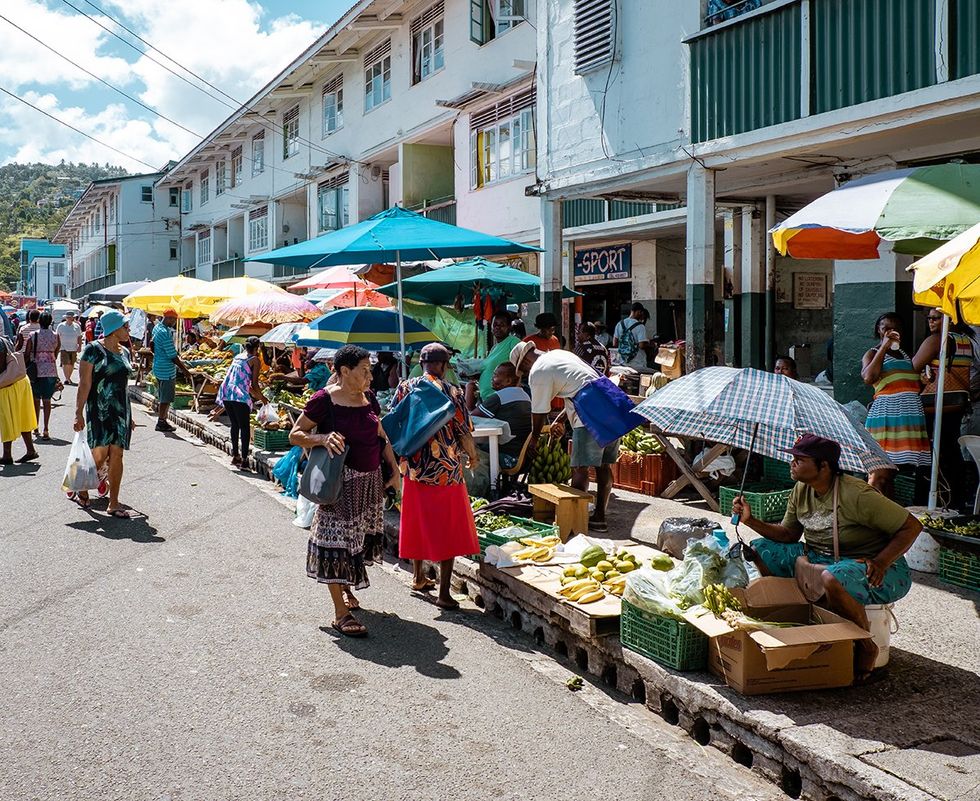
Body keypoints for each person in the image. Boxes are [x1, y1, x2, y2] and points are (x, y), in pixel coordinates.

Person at [731, 434, 922, 682]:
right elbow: (789, 534)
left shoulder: (857, 494)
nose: (792, 463)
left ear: (824, 466)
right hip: (819, 558)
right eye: (792, 458)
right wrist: (751, 521)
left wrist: (882, 561)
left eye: (800, 459)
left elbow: (912, 527)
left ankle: (866, 645)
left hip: (874, 566)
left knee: (833, 578)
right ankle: (796, 613)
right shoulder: (801, 489)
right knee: (760, 549)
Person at [289, 345, 400, 637]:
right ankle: (341, 612)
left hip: (368, 484)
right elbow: (295, 434)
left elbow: (381, 436)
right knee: (333, 544)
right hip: (338, 486)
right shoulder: (324, 401)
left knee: (355, 543)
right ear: (343, 372)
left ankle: (346, 589)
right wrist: (323, 437)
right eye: (363, 370)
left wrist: (395, 471)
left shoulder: (370, 400)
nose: (369, 375)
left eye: (370, 369)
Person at [395, 343, 480, 609]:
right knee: (447, 527)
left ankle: (418, 577)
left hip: (414, 468)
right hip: (446, 471)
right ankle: (444, 594)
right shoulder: (452, 391)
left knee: (417, 521)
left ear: (422, 363)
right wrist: (473, 456)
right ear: (443, 366)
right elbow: (464, 432)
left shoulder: (405, 387)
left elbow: (395, 421)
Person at [510, 341, 617, 532]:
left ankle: (576, 522)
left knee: (579, 467)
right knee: (604, 466)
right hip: (610, 400)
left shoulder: (538, 370)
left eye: (523, 371)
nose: (526, 374)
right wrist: (561, 419)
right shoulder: (560, 354)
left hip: (590, 410)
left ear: (525, 362)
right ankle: (599, 517)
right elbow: (578, 385)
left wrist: (534, 438)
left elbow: (539, 411)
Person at [73, 311, 138, 516]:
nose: (128, 329)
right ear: (113, 328)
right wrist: (78, 413)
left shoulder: (125, 352)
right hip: (98, 410)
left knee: (117, 454)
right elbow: (84, 384)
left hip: (120, 411)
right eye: (125, 326)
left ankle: (114, 503)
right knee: (99, 456)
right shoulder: (92, 350)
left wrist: (131, 415)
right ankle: (81, 485)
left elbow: (124, 387)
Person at [861, 313, 931, 497]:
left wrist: (923, 381)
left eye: (896, 328)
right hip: (887, 419)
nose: (892, 332)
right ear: (879, 331)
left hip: (908, 421)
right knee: (880, 473)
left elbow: (907, 386)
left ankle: (889, 517)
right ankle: (873, 516)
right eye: (886, 328)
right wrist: (884, 346)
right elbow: (869, 377)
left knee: (892, 473)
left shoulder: (905, 355)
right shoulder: (873, 353)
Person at [916, 310, 974, 508]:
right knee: (951, 451)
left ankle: (933, 499)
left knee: (932, 452)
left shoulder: (936, 340)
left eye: (936, 317)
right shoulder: (965, 341)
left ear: (950, 318)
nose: (931, 321)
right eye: (929, 318)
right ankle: (955, 498)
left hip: (936, 405)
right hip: (957, 403)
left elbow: (912, 367)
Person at [216, 336, 268, 469]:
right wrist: (262, 398)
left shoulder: (238, 357)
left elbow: (242, 380)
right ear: (256, 348)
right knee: (244, 427)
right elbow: (254, 384)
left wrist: (256, 395)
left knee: (235, 425)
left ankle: (235, 456)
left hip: (227, 392)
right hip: (239, 395)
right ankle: (244, 460)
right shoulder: (254, 359)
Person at [472, 362, 532, 463]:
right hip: (523, 456)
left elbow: (471, 419)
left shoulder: (500, 397)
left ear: (508, 381)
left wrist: (469, 388)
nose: (492, 378)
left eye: (496, 375)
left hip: (505, 454)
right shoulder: (525, 396)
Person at [0, 335, 39, 464]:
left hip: (8, 383)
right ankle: (30, 450)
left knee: (7, 417)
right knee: (23, 416)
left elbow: (1, 365)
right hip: (20, 380)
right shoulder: (4, 339)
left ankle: (7, 454)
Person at [23, 312, 60, 441]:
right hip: (50, 369)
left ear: (39, 321)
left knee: (36, 400)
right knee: (47, 400)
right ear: (50, 322)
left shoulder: (34, 335)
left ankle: (36, 427)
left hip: (36, 370)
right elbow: (56, 351)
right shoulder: (56, 335)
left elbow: (27, 353)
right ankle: (46, 429)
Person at [152, 309, 189, 433]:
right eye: (173, 320)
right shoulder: (164, 332)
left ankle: (163, 420)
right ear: (168, 318)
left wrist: (158, 353)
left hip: (158, 365)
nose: (174, 322)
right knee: (165, 398)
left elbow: (152, 343)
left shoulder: (157, 328)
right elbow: (172, 356)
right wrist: (184, 370)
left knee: (163, 396)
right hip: (166, 370)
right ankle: (161, 421)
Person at [475, 311, 520, 403]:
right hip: (487, 397)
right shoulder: (494, 347)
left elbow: (520, 368)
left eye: (502, 325)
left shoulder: (513, 342)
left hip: (501, 399)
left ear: (509, 327)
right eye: (495, 324)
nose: (497, 327)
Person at [613, 302, 651, 370]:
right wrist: (649, 344)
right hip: (637, 363)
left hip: (623, 362)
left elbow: (615, 343)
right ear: (639, 312)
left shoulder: (619, 324)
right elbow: (641, 345)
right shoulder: (640, 326)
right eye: (641, 313)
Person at [56, 311, 83, 385]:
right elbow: (57, 337)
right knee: (65, 363)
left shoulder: (77, 326)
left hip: (73, 348)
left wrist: (80, 346)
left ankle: (68, 377)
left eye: (73, 317)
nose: (72, 319)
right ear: (67, 318)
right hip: (63, 347)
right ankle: (67, 379)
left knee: (71, 363)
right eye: (70, 317)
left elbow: (79, 337)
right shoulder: (61, 326)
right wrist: (57, 347)